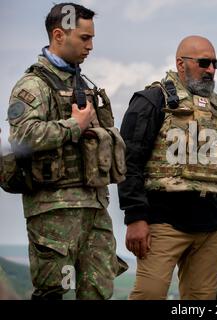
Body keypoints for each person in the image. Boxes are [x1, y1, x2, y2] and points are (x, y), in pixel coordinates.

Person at [5, 3, 127, 300]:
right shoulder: (33, 85)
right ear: (59, 35)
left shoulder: (81, 84)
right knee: (53, 293)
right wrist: (73, 125)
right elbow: (22, 135)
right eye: (85, 38)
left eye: (92, 38)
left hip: (94, 208)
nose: (91, 46)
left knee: (98, 292)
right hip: (52, 211)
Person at [118, 35, 217, 300]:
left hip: (209, 228)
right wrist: (135, 217)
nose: (210, 70)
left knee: (201, 301)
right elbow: (129, 161)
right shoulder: (151, 102)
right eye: (204, 63)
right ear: (180, 64)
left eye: (215, 64)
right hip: (163, 224)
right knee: (148, 295)